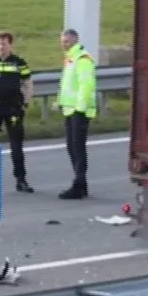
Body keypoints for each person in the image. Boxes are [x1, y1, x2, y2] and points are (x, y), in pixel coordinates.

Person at [0, 30, 35, 193]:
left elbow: (28, 84)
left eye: (4, 44)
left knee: (16, 146)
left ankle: (21, 179)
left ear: (10, 45)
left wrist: (25, 104)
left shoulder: (19, 63)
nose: (0, 47)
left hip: (13, 109)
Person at [56, 28, 97, 199]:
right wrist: (60, 102)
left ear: (74, 41)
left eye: (66, 41)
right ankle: (81, 184)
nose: (62, 44)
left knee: (77, 148)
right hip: (70, 109)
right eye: (62, 41)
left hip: (79, 111)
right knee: (72, 147)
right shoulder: (71, 58)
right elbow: (68, 84)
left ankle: (79, 185)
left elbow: (86, 84)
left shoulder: (82, 58)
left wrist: (80, 109)